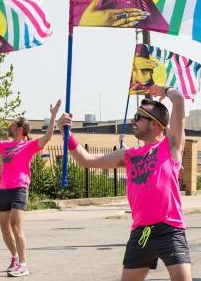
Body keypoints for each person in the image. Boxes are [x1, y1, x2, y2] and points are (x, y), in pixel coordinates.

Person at [58, 85, 192, 281]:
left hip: (169, 230)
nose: (133, 121)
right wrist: (67, 135)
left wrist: (164, 90)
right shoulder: (129, 155)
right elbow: (87, 160)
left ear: (155, 124)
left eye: (138, 117)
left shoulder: (170, 147)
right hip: (142, 232)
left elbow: (178, 99)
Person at [0, 100, 61, 277]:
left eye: (13, 123)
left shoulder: (28, 146)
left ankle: (24, 265)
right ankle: (15, 258)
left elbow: (48, 137)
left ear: (20, 129)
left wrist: (53, 116)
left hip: (19, 187)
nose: (9, 126)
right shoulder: (5, 146)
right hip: (3, 188)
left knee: (15, 225)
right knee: (4, 227)